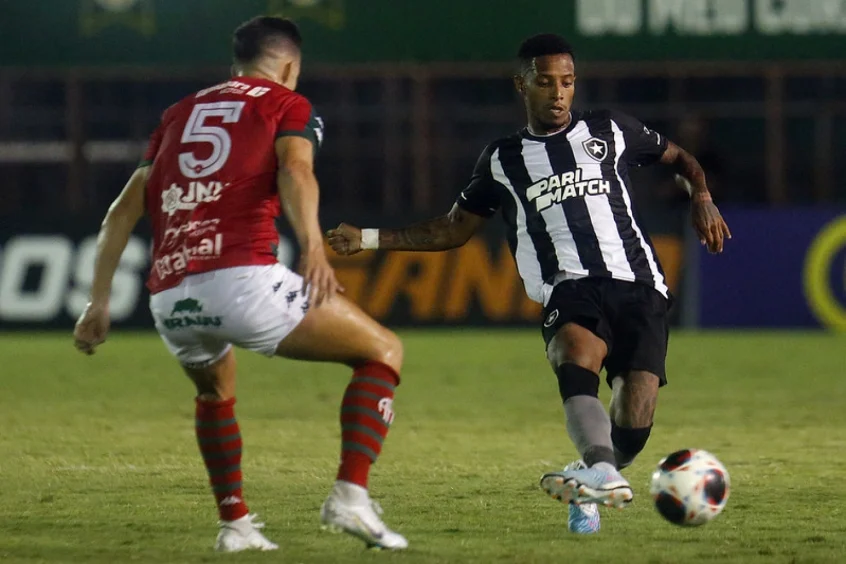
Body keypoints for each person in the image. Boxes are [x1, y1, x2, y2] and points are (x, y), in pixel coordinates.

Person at [327, 33, 731, 535]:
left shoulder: (611, 128)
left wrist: (702, 196)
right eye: (545, 82)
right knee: (574, 353)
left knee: (635, 415)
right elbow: (452, 229)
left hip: (639, 282)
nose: (559, 93)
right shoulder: (502, 158)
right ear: (521, 85)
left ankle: (595, 475)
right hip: (568, 285)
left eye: (567, 82)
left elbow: (681, 158)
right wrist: (367, 237)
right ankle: (599, 469)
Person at [73, 16, 408, 552]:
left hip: (168, 293)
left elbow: (121, 212)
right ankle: (349, 495)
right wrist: (314, 249)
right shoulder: (286, 104)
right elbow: (296, 171)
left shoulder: (178, 113)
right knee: (383, 351)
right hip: (242, 280)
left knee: (214, 393)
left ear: (237, 63)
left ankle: (235, 524)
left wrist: (99, 301)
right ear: (290, 65)